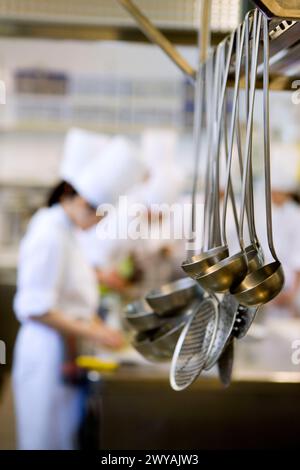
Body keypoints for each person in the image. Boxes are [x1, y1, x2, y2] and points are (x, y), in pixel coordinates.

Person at [12, 128, 146, 450]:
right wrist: (96, 333)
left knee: (61, 439)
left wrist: (93, 325)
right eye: (97, 213)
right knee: (44, 441)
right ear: (76, 199)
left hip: (61, 353)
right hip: (45, 356)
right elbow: (36, 307)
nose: (98, 222)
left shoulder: (67, 233)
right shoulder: (49, 234)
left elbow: (70, 298)